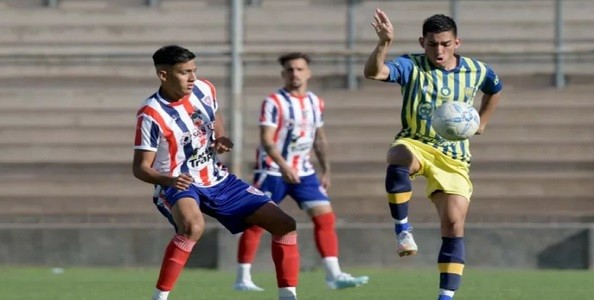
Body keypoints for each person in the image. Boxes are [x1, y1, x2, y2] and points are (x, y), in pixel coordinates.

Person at [132, 45, 300, 300]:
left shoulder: (204, 89)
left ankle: (288, 296)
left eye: (194, 71)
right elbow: (141, 168)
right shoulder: (151, 114)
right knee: (193, 227)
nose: (192, 78)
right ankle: (160, 297)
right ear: (164, 75)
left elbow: (214, 115)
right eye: (185, 72)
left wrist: (220, 137)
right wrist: (170, 179)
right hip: (178, 182)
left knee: (285, 224)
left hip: (217, 178)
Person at [363, 10, 503, 300]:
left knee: (453, 224)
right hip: (416, 142)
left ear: (457, 42)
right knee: (399, 158)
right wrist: (384, 43)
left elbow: (495, 89)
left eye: (445, 44)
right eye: (432, 44)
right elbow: (374, 72)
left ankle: (445, 296)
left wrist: (483, 122)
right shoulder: (410, 65)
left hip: (453, 157)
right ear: (422, 42)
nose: (438, 51)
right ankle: (403, 230)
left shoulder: (477, 70)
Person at [232, 52, 369, 292]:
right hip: (273, 171)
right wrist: (284, 166)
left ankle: (334, 275)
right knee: (257, 222)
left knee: (325, 216)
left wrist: (326, 169)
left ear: (308, 72)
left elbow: (319, 138)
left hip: (304, 172)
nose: (295, 73)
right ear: (283, 74)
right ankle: (243, 278)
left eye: (299, 69)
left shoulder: (316, 102)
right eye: (290, 70)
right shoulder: (274, 102)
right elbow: (266, 140)